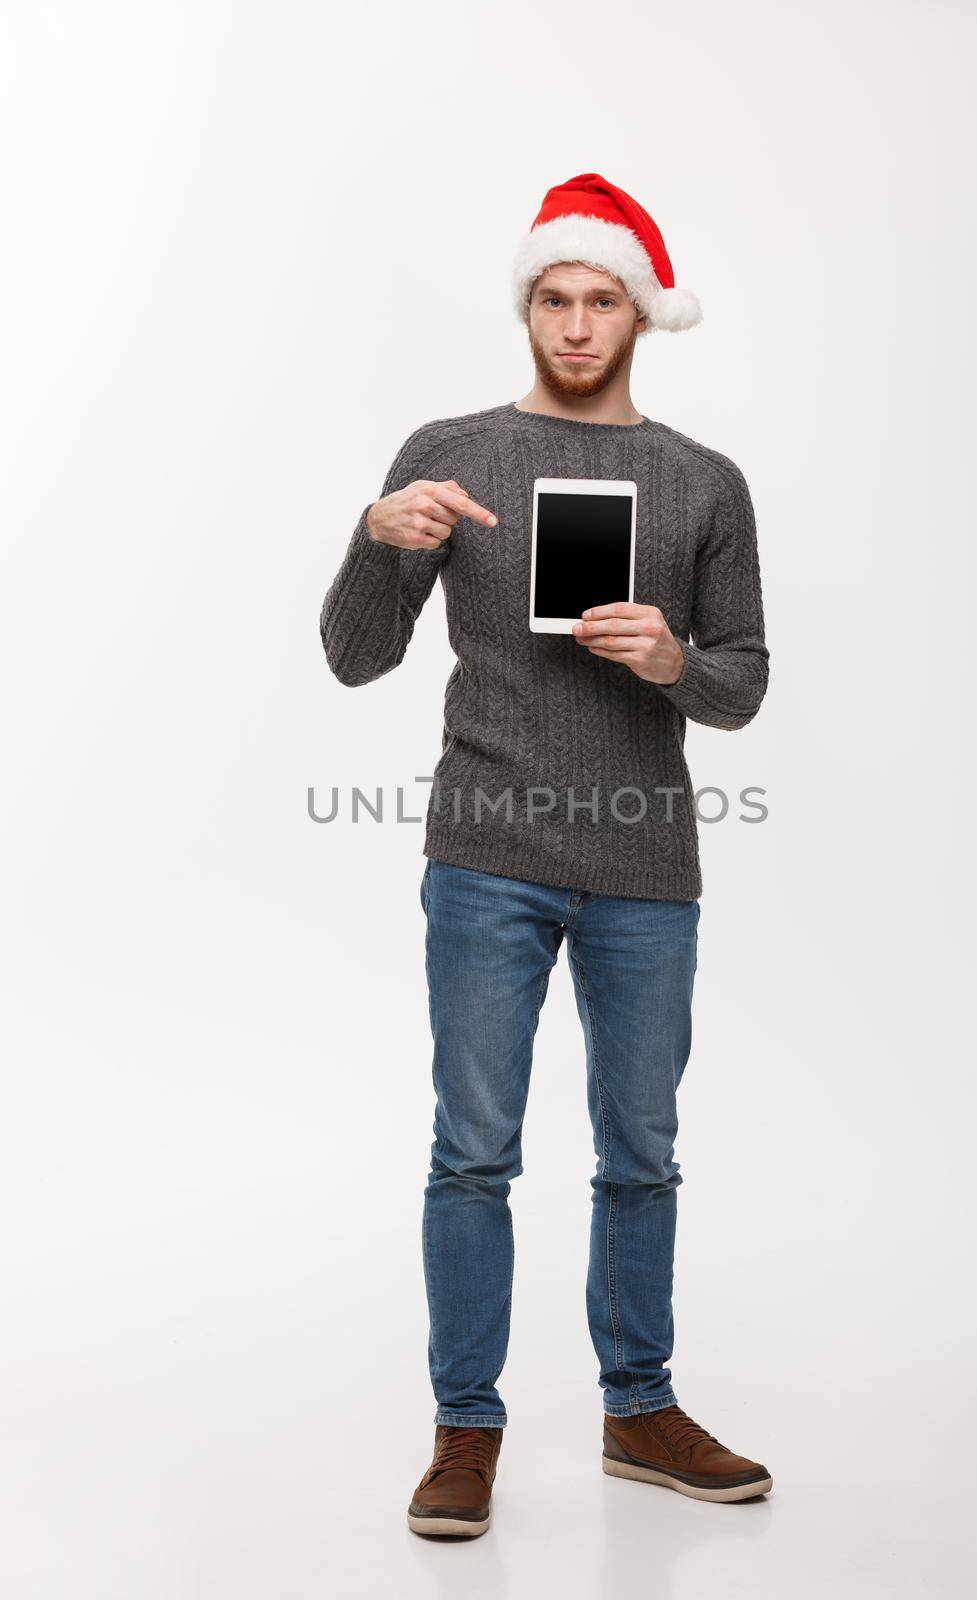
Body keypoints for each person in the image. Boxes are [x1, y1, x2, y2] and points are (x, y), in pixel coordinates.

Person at [319, 172, 773, 1538]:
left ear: (641, 313)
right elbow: (355, 657)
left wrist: (674, 661)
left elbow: (744, 684)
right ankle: (467, 1431)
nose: (578, 325)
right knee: (475, 1151)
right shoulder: (452, 454)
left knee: (642, 1151)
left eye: (603, 301)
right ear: (530, 306)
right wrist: (372, 540)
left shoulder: (703, 482)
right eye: (556, 300)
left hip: (646, 864)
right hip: (486, 851)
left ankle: (639, 1407)